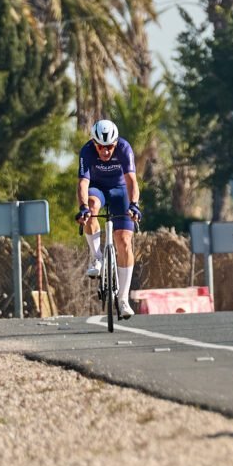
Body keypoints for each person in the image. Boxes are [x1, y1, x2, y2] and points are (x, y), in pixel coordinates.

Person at [75, 119, 141, 319]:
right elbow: (83, 184)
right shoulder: (86, 151)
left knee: (124, 241)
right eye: (100, 147)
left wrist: (134, 205)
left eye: (109, 147)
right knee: (92, 208)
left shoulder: (124, 148)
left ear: (116, 143)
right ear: (94, 143)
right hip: (97, 189)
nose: (105, 151)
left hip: (120, 190)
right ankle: (97, 257)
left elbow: (131, 181)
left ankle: (122, 300)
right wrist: (83, 208)